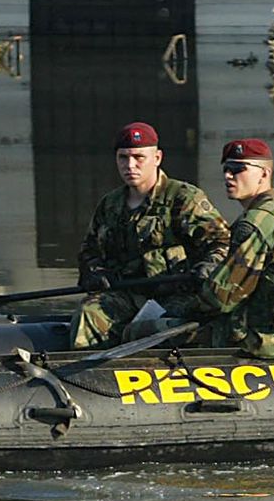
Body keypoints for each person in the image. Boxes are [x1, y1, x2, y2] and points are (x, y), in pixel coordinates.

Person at [70, 121, 231, 349]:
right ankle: (83, 376)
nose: (130, 165)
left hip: (178, 295)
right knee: (89, 312)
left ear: (157, 158)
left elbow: (221, 243)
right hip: (129, 294)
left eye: (138, 157)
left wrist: (207, 268)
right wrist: (96, 272)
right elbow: (89, 251)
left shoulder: (183, 198)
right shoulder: (110, 205)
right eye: (123, 158)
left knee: (151, 328)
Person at [173, 138, 274, 358]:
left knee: (154, 328)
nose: (228, 176)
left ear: (264, 174)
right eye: (226, 169)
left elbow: (222, 297)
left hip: (273, 337)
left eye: (238, 169)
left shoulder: (255, 222)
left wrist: (182, 307)